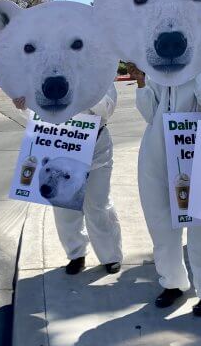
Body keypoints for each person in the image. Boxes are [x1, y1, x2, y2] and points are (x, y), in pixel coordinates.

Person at [126, 62, 201, 317]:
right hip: (158, 146)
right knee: (160, 219)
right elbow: (150, 112)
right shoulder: (158, 65)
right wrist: (141, 80)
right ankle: (171, 282)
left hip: (197, 144)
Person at [13, 83, 123, 275]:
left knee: (97, 204)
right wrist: (24, 104)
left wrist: (85, 88)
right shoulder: (49, 73)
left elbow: (107, 110)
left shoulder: (98, 73)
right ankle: (76, 254)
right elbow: (38, 110)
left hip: (96, 146)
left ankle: (111, 256)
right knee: (64, 206)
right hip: (62, 143)